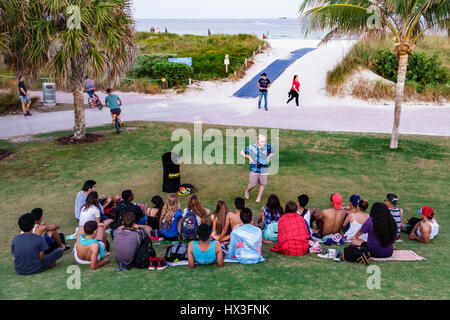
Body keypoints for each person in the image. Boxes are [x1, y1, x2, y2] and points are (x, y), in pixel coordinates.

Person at [241, 134, 276, 203]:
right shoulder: (252, 147)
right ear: (257, 141)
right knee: (252, 184)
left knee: (262, 183)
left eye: (264, 141)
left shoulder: (267, 147)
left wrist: (268, 157)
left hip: (264, 169)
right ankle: (247, 191)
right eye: (262, 141)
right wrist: (249, 158)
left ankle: (259, 196)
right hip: (254, 169)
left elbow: (274, 151)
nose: (264, 143)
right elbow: (242, 152)